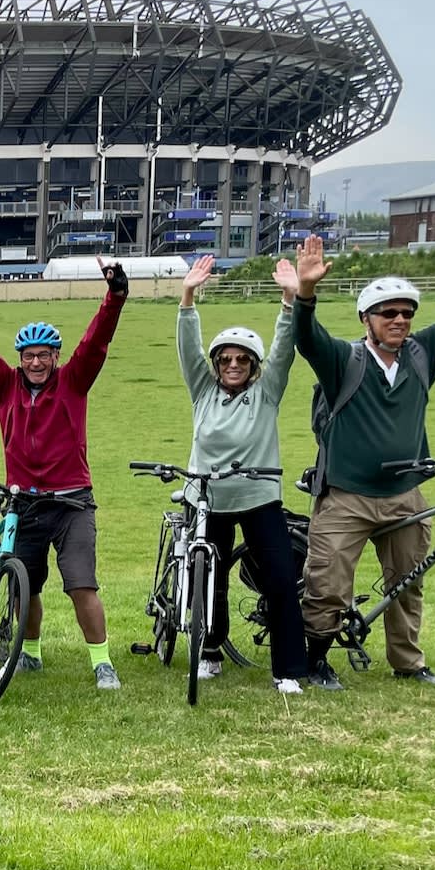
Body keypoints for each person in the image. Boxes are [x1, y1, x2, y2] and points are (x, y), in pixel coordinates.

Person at [292, 203, 435, 691]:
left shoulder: (422, 355)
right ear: (366, 318)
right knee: (328, 583)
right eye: (388, 313)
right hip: (348, 494)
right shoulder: (344, 360)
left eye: (406, 313)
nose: (399, 320)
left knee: (408, 582)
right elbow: (306, 340)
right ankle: (315, 659)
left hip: (405, 495)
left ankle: (407, 661)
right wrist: (306, 292)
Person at [0, 258, 127, 690]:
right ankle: (30, 652)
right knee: (24, 585)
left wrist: (115, 296)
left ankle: (102, 663)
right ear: (21, 359)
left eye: (44, 355)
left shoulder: (74, 381)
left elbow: (96, 342)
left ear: (56, 357)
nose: (37, 362)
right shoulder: (4, 385)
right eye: (29, 356)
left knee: (81, 584)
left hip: (72, 502)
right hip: (24, 502)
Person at [176, 255, 308, 694]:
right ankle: (210, 651)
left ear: (253, 365)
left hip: (258, 498)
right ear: (216, 364)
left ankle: (287, 669)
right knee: (207, 578)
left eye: (242, 360)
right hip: (207, 498)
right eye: (226, 359)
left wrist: (289, 300)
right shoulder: (203, 390)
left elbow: (284, 349)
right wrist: (188, 296)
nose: (233, 365)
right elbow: (188, 349)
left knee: (280, 580)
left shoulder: (266, 392)